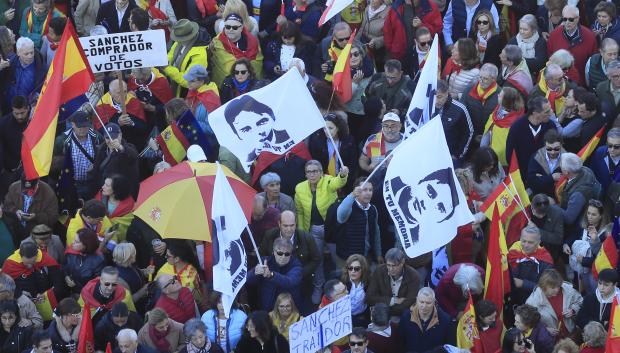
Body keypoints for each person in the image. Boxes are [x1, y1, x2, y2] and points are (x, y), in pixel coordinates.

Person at [294, 159, 348, 303]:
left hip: (332, 228)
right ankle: (319, 286)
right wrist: (301, 231)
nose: (312, 174)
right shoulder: (299, 188)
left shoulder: (328, 181)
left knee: (338, 258)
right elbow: (299, 211)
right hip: (314, 229)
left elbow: (338, 182)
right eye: (309, 172)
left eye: (315, 171)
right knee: (317, 260)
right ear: (305, 174)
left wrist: (343, 175)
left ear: (321, 172)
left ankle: (342, 288)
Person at [260, 210, 320, 311]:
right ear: (279, 224)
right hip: (274, 283)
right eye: (285, 226)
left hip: (299, 285)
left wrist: (300, 273)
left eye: (292, 225)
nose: (289, 229)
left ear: (296, 224)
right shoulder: (270, 235)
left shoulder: (306, 238)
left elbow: (316, 259)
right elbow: (262, 254)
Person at [52, 110, 104, 211]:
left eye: (85, 126)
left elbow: (103, 157)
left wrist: (96, 166)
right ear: (72, 124)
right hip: (73, 185)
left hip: (93, 184)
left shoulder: (97, 137)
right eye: (80, 126)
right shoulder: (62, 141)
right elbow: (55, 166)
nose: (83, 129)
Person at [1, 241, 63, 322]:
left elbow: (58, 282)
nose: (30, 266)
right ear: (20, 256)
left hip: (45, 300)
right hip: (23, 302)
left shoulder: (45, 259)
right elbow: (6, 287)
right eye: (26, 263)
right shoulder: (10, 263)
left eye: (33, 262)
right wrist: (20, 293)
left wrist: (46, 294)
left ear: (37, 256)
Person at [222, 94, 292, 165]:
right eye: (246, 129)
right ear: (236, 134)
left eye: (262, 122)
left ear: (272, 117)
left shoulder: (292, 138)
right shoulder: (241, 156)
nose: (257, 131)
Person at [547, 5, 598, 86]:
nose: (567, 22)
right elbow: (549, 59)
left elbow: (594, 63)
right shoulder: (553, 35)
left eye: (571, 19)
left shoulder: (589, 37)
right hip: (558, 84)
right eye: (564, 19)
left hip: (581, 84)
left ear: (577, 18)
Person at [505, 97, 555, 179]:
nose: (551, 113)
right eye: (547, 112)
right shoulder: (517, 128)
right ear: (535, 113)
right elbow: (510, 155)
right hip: (523, 176)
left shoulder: (551, 126)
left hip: (546, 175)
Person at [247, 237, 303, 310]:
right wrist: (255, 272)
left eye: (287, 254)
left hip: (287, 311)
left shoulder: (296, 265)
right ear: (273, 252)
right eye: (280, 253)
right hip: (265, 308)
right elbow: (248, 280)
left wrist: (271, 275)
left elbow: (290, 282)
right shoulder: (264, 261)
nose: (283, 257)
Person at [335, 178, 382, 265]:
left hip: (366, 257)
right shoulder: (349, 206)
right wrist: (352, 195)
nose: (368, 193)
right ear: (356, 191)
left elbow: (376, 233)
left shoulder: (373, 209)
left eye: (370, 190)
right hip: (348, 258)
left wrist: (378, 254)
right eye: (364, 190)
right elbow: (340, 216)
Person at [525, 269, 583, 339]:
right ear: (544, 286)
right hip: (550, 340)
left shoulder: (567, 289)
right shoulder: (532, 301)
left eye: (558, 286)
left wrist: (573, 310)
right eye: (553, 288)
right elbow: (528, 323)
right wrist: (545, 329)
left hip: (571, 335)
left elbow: (580, 302)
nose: (557, 290)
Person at [210, 13, 263, 87]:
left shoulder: (253, 42)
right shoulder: (217, 43)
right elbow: (223, 69)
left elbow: (257, 64)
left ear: (241, 28)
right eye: (227, 27)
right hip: (227, 88)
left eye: (235, 27)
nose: (230, 30)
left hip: (250, 87)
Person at [96, 79, 149, 151]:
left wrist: (132, 123)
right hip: (113, 146)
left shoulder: (133, 101)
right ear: (111, 93)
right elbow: (100, 130)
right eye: (119, 93)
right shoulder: (103, 105)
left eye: (124, 92)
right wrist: (117, 123)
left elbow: (144, 127)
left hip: (134, 145)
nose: (123, 96)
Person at [308, 114, 358, 191]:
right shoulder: (317, 140)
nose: (326, 131)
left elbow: (353, 164)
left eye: (330, 128)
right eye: (324, 128)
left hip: (343, 180)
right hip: (323, 181)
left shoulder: (349, 141)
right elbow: (314, 161)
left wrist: (345, 180)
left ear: (338, 128)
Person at [367, 248, 421, 318]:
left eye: (394, 265)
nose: (391, 269)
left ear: (402, 262)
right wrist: (393, 301)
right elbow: (369, 298)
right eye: (388, 265)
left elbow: (410, 302)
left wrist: (385, 309)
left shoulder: (413, 276)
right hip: (381, 314)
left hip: (402, 315)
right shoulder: (379, 271)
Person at [508, 225, 554, 305]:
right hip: (511, 298)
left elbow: (546, 288)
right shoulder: (513, 252)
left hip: (533, 302)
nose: (526, 245)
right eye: (523, 241)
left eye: (530, 242)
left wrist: (523, 283)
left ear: (539, 242)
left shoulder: (546, 261)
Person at [398, 287, 454, 352]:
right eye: (421, 302)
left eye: (428, 303)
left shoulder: (446, 320)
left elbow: (449, 347)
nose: (424, 306)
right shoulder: (406, 317)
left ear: (434, 302)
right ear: (416, 300)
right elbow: (400, 343)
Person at [90, 123, 140, 195]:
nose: (111, 140)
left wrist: (121, 147)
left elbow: (133, 156)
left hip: (122, 193)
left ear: (120, 135)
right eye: (108, 138)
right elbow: (96, 172)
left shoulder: (129, 148)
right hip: (104, 191)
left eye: (114, 137)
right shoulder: (101, 149)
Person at [481, 86, 525, 168]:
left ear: (506, 101)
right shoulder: (498, 109)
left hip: (501, 159)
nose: (498, 95)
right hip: (490, 147)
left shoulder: (515, 121)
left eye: (500, 96)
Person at [164, 19, 210, 97]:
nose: (178, 41)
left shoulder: (199, 55)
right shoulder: (180, 42)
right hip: (175, 84)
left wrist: (167, 68)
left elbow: (188, 81)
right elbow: (170, 55)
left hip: (186, 93)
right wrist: (166, 61)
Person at [3, 176, 58, 241]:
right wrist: (16, 211)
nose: (28, 193)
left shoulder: (49, 193)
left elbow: (53, 218)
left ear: (38, 183)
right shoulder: (13, 187)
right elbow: (7, 206)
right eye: (25, 190)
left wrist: (36, 217)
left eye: (31, 190)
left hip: (37, 237)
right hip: (16, 231)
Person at [558, 153, 601, 235]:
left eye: (561, 166)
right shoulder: (585, 170)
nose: (559, 167)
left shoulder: (578, 195)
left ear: (567, 172)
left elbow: (569, 218)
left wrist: (553, 207)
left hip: (576, 229)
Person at [433, 79, 474, 164]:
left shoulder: (460, 109)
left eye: (439, 97)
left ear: (447, 93)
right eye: (434, 97)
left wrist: (458, 155)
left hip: (450, 155)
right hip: (431, 152)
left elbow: (469, 132)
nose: (436, 101)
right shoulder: (426, 106)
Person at [128, 67, 174, 132]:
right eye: (137, 79)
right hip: (140, 118)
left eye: (141, 79)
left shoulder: (161, 81)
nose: (139, 82)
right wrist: (130, 95)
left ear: (147, 75)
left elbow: (170, 106)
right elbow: (129, 90)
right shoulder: (133, 78)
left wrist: (154, 108)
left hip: (158, 119)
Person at [0, 96, 29, 200]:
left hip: (30, 169)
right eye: (16, 113)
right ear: (12, 109)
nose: (20, 116)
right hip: (10, 169)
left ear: (27, 108)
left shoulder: (34, 120)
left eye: (22, 113)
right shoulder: (3, 124)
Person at [460, 63, 499, 137]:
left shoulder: (500, 95)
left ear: (494, 79)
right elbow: (461, 110)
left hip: (488, 136)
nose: (481, 81)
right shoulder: (469, 89)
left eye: (485, 78)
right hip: (469, 132)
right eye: (480, 77)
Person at [63, 228, 105, 294]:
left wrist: (76, 285)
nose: (72, 242)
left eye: (76, 242)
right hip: (67, 291)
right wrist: (66, 276)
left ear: (86, 245)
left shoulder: (98, 261)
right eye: (74, 239)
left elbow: (96, 284)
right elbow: (64, 267)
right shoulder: (70, 253)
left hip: (84, 295)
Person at [183, 65, 220, 134]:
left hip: (205, 141)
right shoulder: (193, 91)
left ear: (202, 81)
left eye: (192, 81)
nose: (188, 83)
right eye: (188, 80)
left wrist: (191, 123)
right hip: (192, 134)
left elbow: (211, 128)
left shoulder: (211, 99)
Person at [528, 130, 565, 199]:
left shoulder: (567, 158)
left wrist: (542, 178)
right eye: (549, 149)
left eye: (556, 149)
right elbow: (532, 182)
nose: (553, 152)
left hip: (560, 198)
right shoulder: (536, 157)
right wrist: (552, 178)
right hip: (541, 198)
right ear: (545, 146)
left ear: (561, 145)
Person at [589, 127, 620, 210]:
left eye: (616, 147)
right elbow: (592, 173)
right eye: (609, 145)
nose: (612, 150)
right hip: (599, 196)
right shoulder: (599, 152)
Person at [529, 195, 565, 265]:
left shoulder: (557, 214)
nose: (539, 216)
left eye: (542, 215)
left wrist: (537, 231)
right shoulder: (526, 209)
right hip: (531, 248)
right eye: (536, 213)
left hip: (549, 250)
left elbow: (558, 238)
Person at [356, 0, 389, 69]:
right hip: (365, 43)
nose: (372, 1)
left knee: (378, 68)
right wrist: (355, 41)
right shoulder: (367, 8)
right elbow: (362, 27)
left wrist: (376, 41)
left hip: (379, 49)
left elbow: (389, 36)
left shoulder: (388, 13)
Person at [340, 254, 371, 326]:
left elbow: (372, 303)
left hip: (361, 317)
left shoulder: (369, 283)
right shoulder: (342, 282)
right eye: (350, 268)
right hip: (344, 318)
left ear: (363, 269)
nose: (353, 271)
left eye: (356, 269)